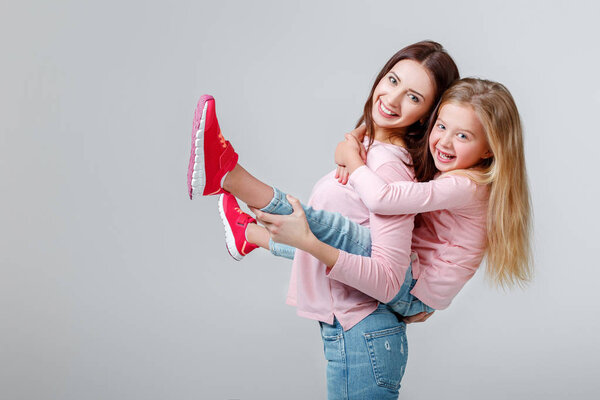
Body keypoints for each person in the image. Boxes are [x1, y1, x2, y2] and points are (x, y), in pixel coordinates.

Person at [189, 41, 464, 399]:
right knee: (335, 232)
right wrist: (354, 140)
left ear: (428, 115)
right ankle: (243, 213)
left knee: (330, 231)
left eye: (413, 97)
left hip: (364, 333)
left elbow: (383, 272)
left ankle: (229, 175)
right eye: (393, 80)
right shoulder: (370, 152)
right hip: (356, 330)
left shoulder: (388, 167)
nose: (393, 99)